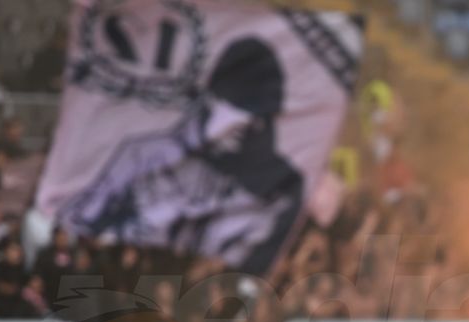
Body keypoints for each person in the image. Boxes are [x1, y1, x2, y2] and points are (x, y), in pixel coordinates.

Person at [60, 37, 303, 274]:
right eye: (242, 110)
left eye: (259, 119)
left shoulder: (264, 181)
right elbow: (83, 219)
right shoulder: (145, 156)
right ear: (212, 100)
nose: (250, 125)